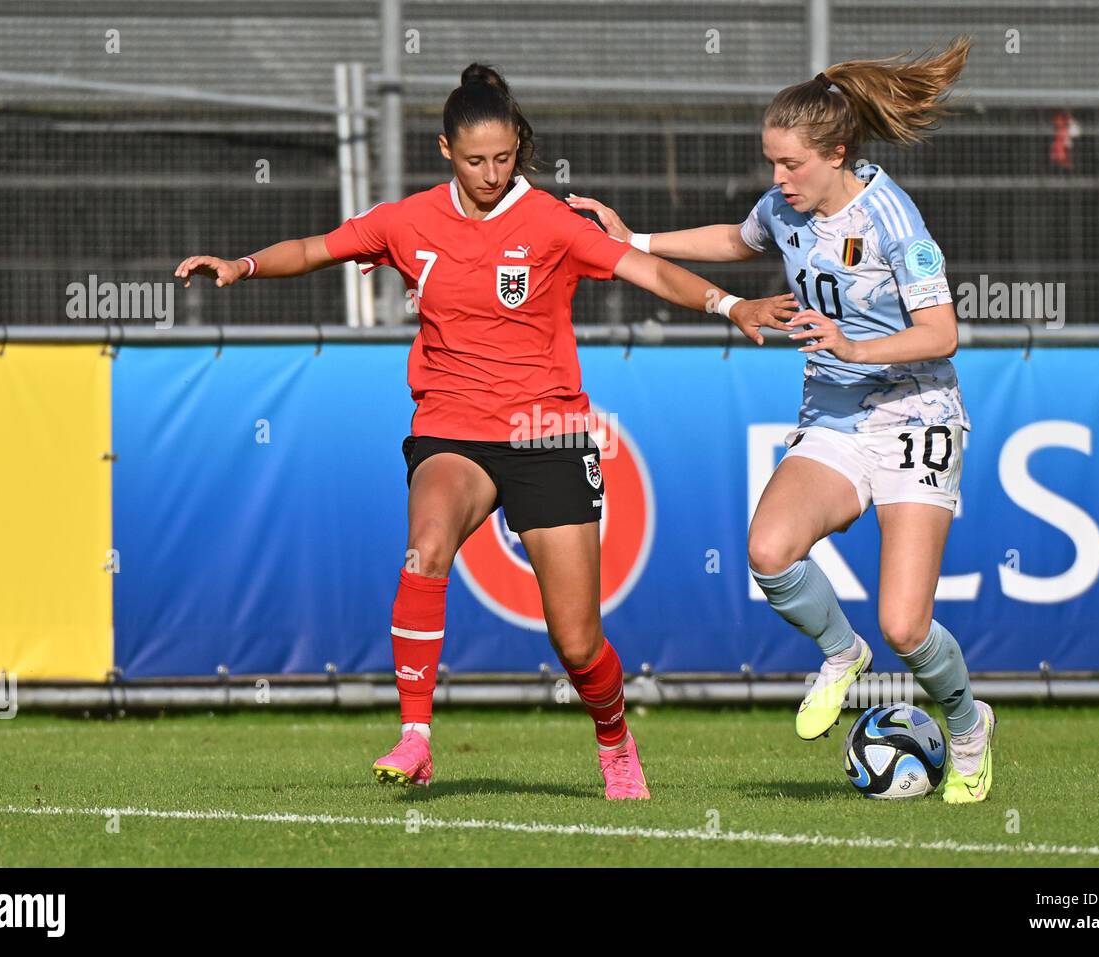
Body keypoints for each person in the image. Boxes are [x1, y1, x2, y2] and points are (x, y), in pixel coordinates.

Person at [173, 63, 797, 800]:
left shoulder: (551, 224)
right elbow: (317, 248)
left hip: (547, 430)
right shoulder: (409, 221)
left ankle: (615, 739)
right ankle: (415, 736)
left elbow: (648, 271)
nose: (493, 172)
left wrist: (734, 308)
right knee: (426, 546)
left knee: (576, 640)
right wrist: (242, 265)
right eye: (476, 160)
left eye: (504, 158)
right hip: (452, 427)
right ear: (445, 151)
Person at [567, 38, 996, 803]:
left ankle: (967, 725)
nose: (777, 179)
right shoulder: (783, 208)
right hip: (834, 417)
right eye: (771, 163)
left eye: (790, 165)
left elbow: (943, 333)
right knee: (769, 549)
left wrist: (854, 345)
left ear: (836, 153)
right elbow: (739, 239)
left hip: (913, 411)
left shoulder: (892, 217)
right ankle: (841, 653)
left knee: (907, 625)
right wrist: (630, 239)